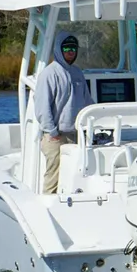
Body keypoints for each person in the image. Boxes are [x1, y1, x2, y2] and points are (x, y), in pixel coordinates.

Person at [34, 31, 94, 194]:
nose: (70, 52)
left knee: (74, 178)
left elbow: (88, 102)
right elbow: (41, 108)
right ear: (59, 49)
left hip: (76, 135)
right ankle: (46, 212)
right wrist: (52, 132)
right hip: (55, 137)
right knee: (53, 179)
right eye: (66, 48)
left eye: (73, 48)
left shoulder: (77, 73)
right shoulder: (49, 74)